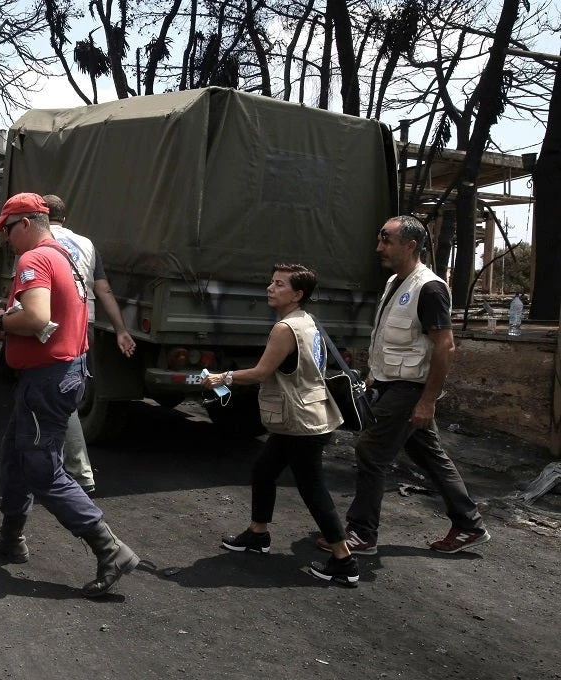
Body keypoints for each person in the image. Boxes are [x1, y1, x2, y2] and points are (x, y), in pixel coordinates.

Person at [0, 193, 139, 598]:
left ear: (25, 223)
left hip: (48, 379)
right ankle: (11, 536)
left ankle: (109, 548)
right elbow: (47, 314)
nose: (5, 238)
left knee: (43, 469)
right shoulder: (66, 256)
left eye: (6, 229)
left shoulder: (35, 258)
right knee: (15, 455)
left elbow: (37, 317)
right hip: (60, 374)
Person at [319, 215, 490, 556]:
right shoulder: (395, 283)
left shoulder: (429, 287)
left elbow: (445, 346)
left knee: (371, 450)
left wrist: (428, 401)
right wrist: (372, 378)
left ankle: (362, 534)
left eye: (386, 240)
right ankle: (469, 523)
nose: (379, 247)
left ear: (410, 245)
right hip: (389, 384)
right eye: (380, 239)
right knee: (428, 454)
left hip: (409, 389)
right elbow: (392, 341)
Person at [202, 264, 358, 587]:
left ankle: (344, 561)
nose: (270, 289)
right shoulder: (307, 321)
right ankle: (258, 534)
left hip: (299, 421)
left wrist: (223, 377)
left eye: (280, 285)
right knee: (263, 470)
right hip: (307, 415)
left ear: (297, 294)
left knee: (312, 488)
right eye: (271, 282)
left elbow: (261, 373)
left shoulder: (285, 329)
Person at [43, 194, 136, 493]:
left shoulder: (36, 241)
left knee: (52, 393)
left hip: (51, 324)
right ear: (65, 218)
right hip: (86, 324)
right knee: (64, 392)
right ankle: (59, 465)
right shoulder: (86, 244)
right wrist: (121, 329)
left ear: (39, 216)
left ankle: (74, 470)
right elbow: (104, 289)